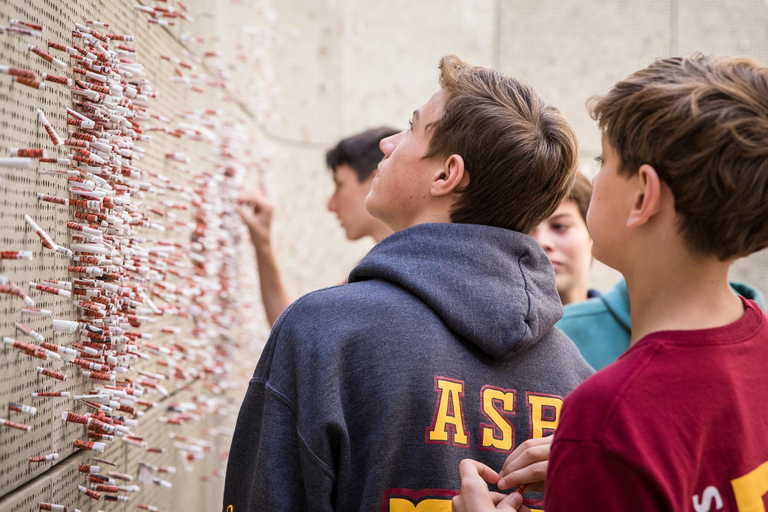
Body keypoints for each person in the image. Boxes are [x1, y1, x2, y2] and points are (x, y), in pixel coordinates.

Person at [223, 55, 594, 511]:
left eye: (411, 128)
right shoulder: (579, 381)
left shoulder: (325, 331)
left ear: (446, 174)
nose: (386, 143)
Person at [453, 55, 768, 512]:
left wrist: (596, 450)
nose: (595, 178)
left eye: (604, 159)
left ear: (643, 195)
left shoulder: (608, 419)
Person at [238, 127, 397, 326]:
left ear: (377, 178)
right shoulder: (373, 270)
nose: (331, 205)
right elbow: (298, 334)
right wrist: (262, 244)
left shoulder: (380, 278)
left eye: (339, 185)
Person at [528, 172, 597, 306]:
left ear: (593, 233)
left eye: (560, 226)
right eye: (526, 229)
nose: (541, 241)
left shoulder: (629, 324)